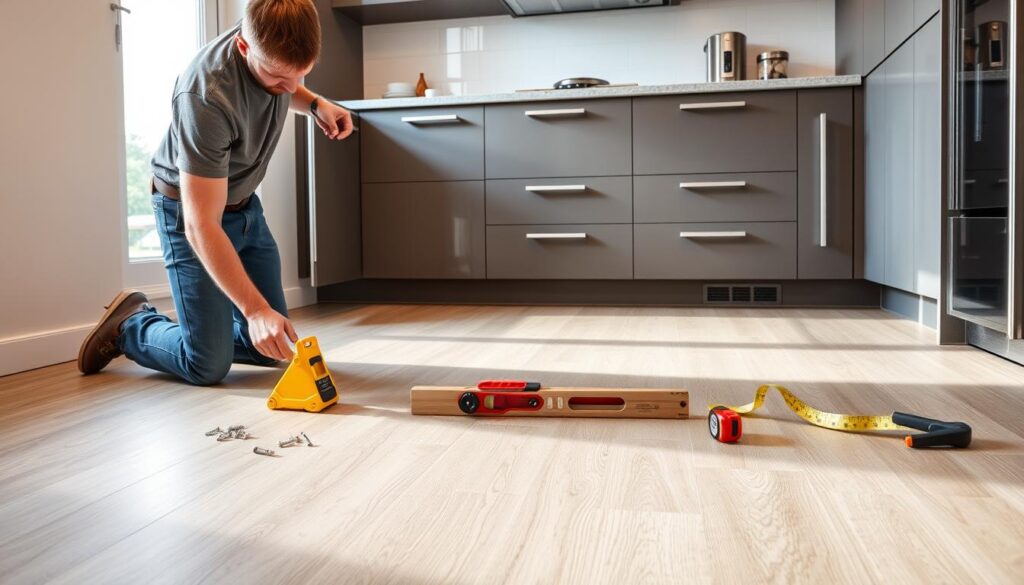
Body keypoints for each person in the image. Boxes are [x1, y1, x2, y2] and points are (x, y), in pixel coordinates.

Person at [78, 0, 352, 385]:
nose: (289, 90)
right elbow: (201, 224)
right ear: (244, 47)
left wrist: (316, 105)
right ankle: (131, 325)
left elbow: (286, 82)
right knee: (207, 365)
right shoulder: (206, 94)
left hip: (245, 208)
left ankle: (210, 331)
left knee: (270, 346)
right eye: (277, 78)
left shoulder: (270, 34)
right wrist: (255, 311)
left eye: (301, 76)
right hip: (189, 213)